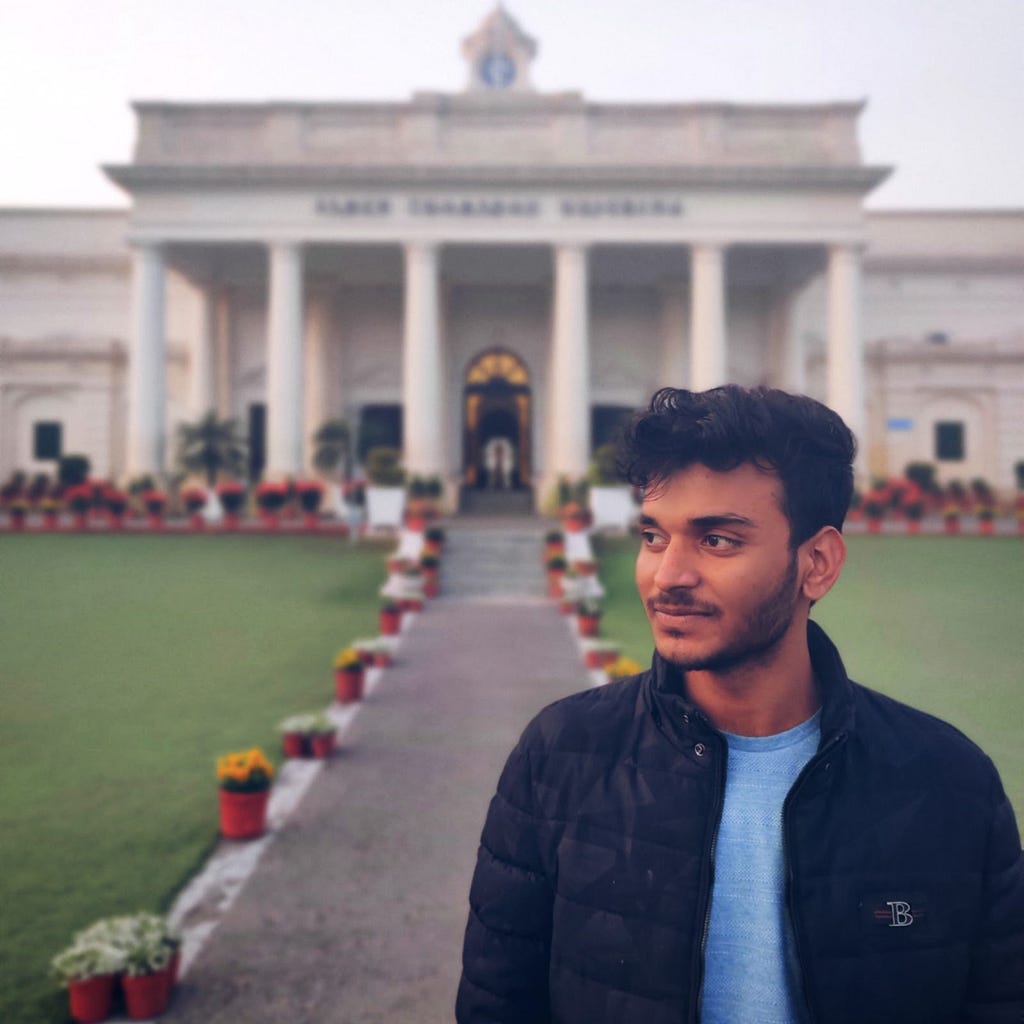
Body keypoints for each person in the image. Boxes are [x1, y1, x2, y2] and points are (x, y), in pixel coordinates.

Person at [456, 385, 1023, 1024]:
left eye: (717, 540)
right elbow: (498, 1006)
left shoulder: (948, 783)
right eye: (652, 535)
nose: (667, 575)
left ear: (817, 563)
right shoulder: (561, 756)